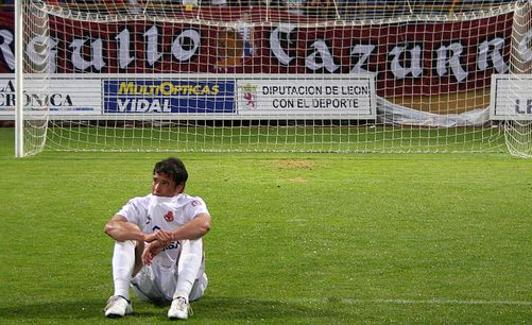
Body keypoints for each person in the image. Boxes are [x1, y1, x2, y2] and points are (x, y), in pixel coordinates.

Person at [103, 157, 211, 320]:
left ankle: (180, 299)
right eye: (155, 181)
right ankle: (121, 297)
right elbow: (111, 227)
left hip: (183, 280)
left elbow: (204, 225)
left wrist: (169, 237)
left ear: (180, 187)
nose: (156, 187)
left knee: (194, 237)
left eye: (164, 183)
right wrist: (144, 236)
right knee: (127, 232)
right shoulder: (140, 203)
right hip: (148, 280)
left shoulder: (191, 203)